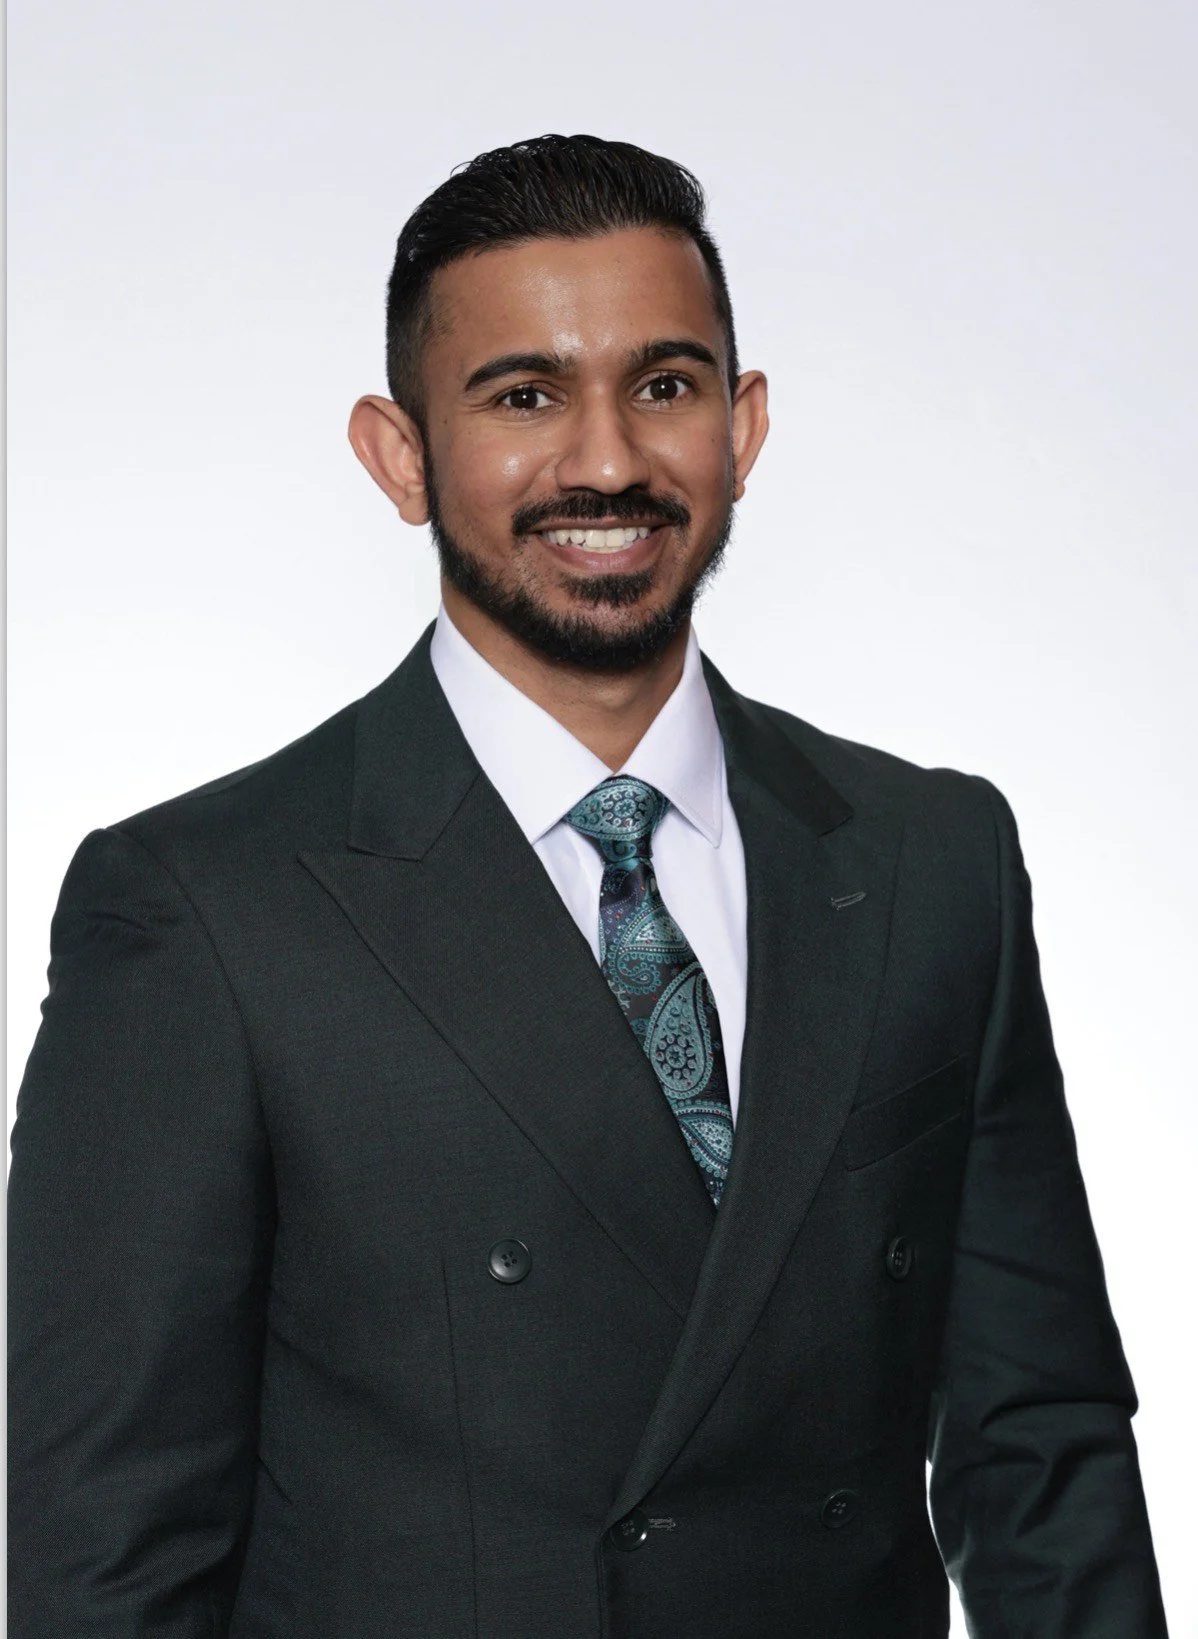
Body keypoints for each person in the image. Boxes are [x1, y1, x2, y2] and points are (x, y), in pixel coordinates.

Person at [8, 133, 1168, 1638]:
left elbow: (1042, 1454)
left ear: (744, 425)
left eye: (664, 386)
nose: (607, 461)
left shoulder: (927, 856)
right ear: (399, 454)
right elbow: (107, 1555)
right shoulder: (200, 908)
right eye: (524, 397)